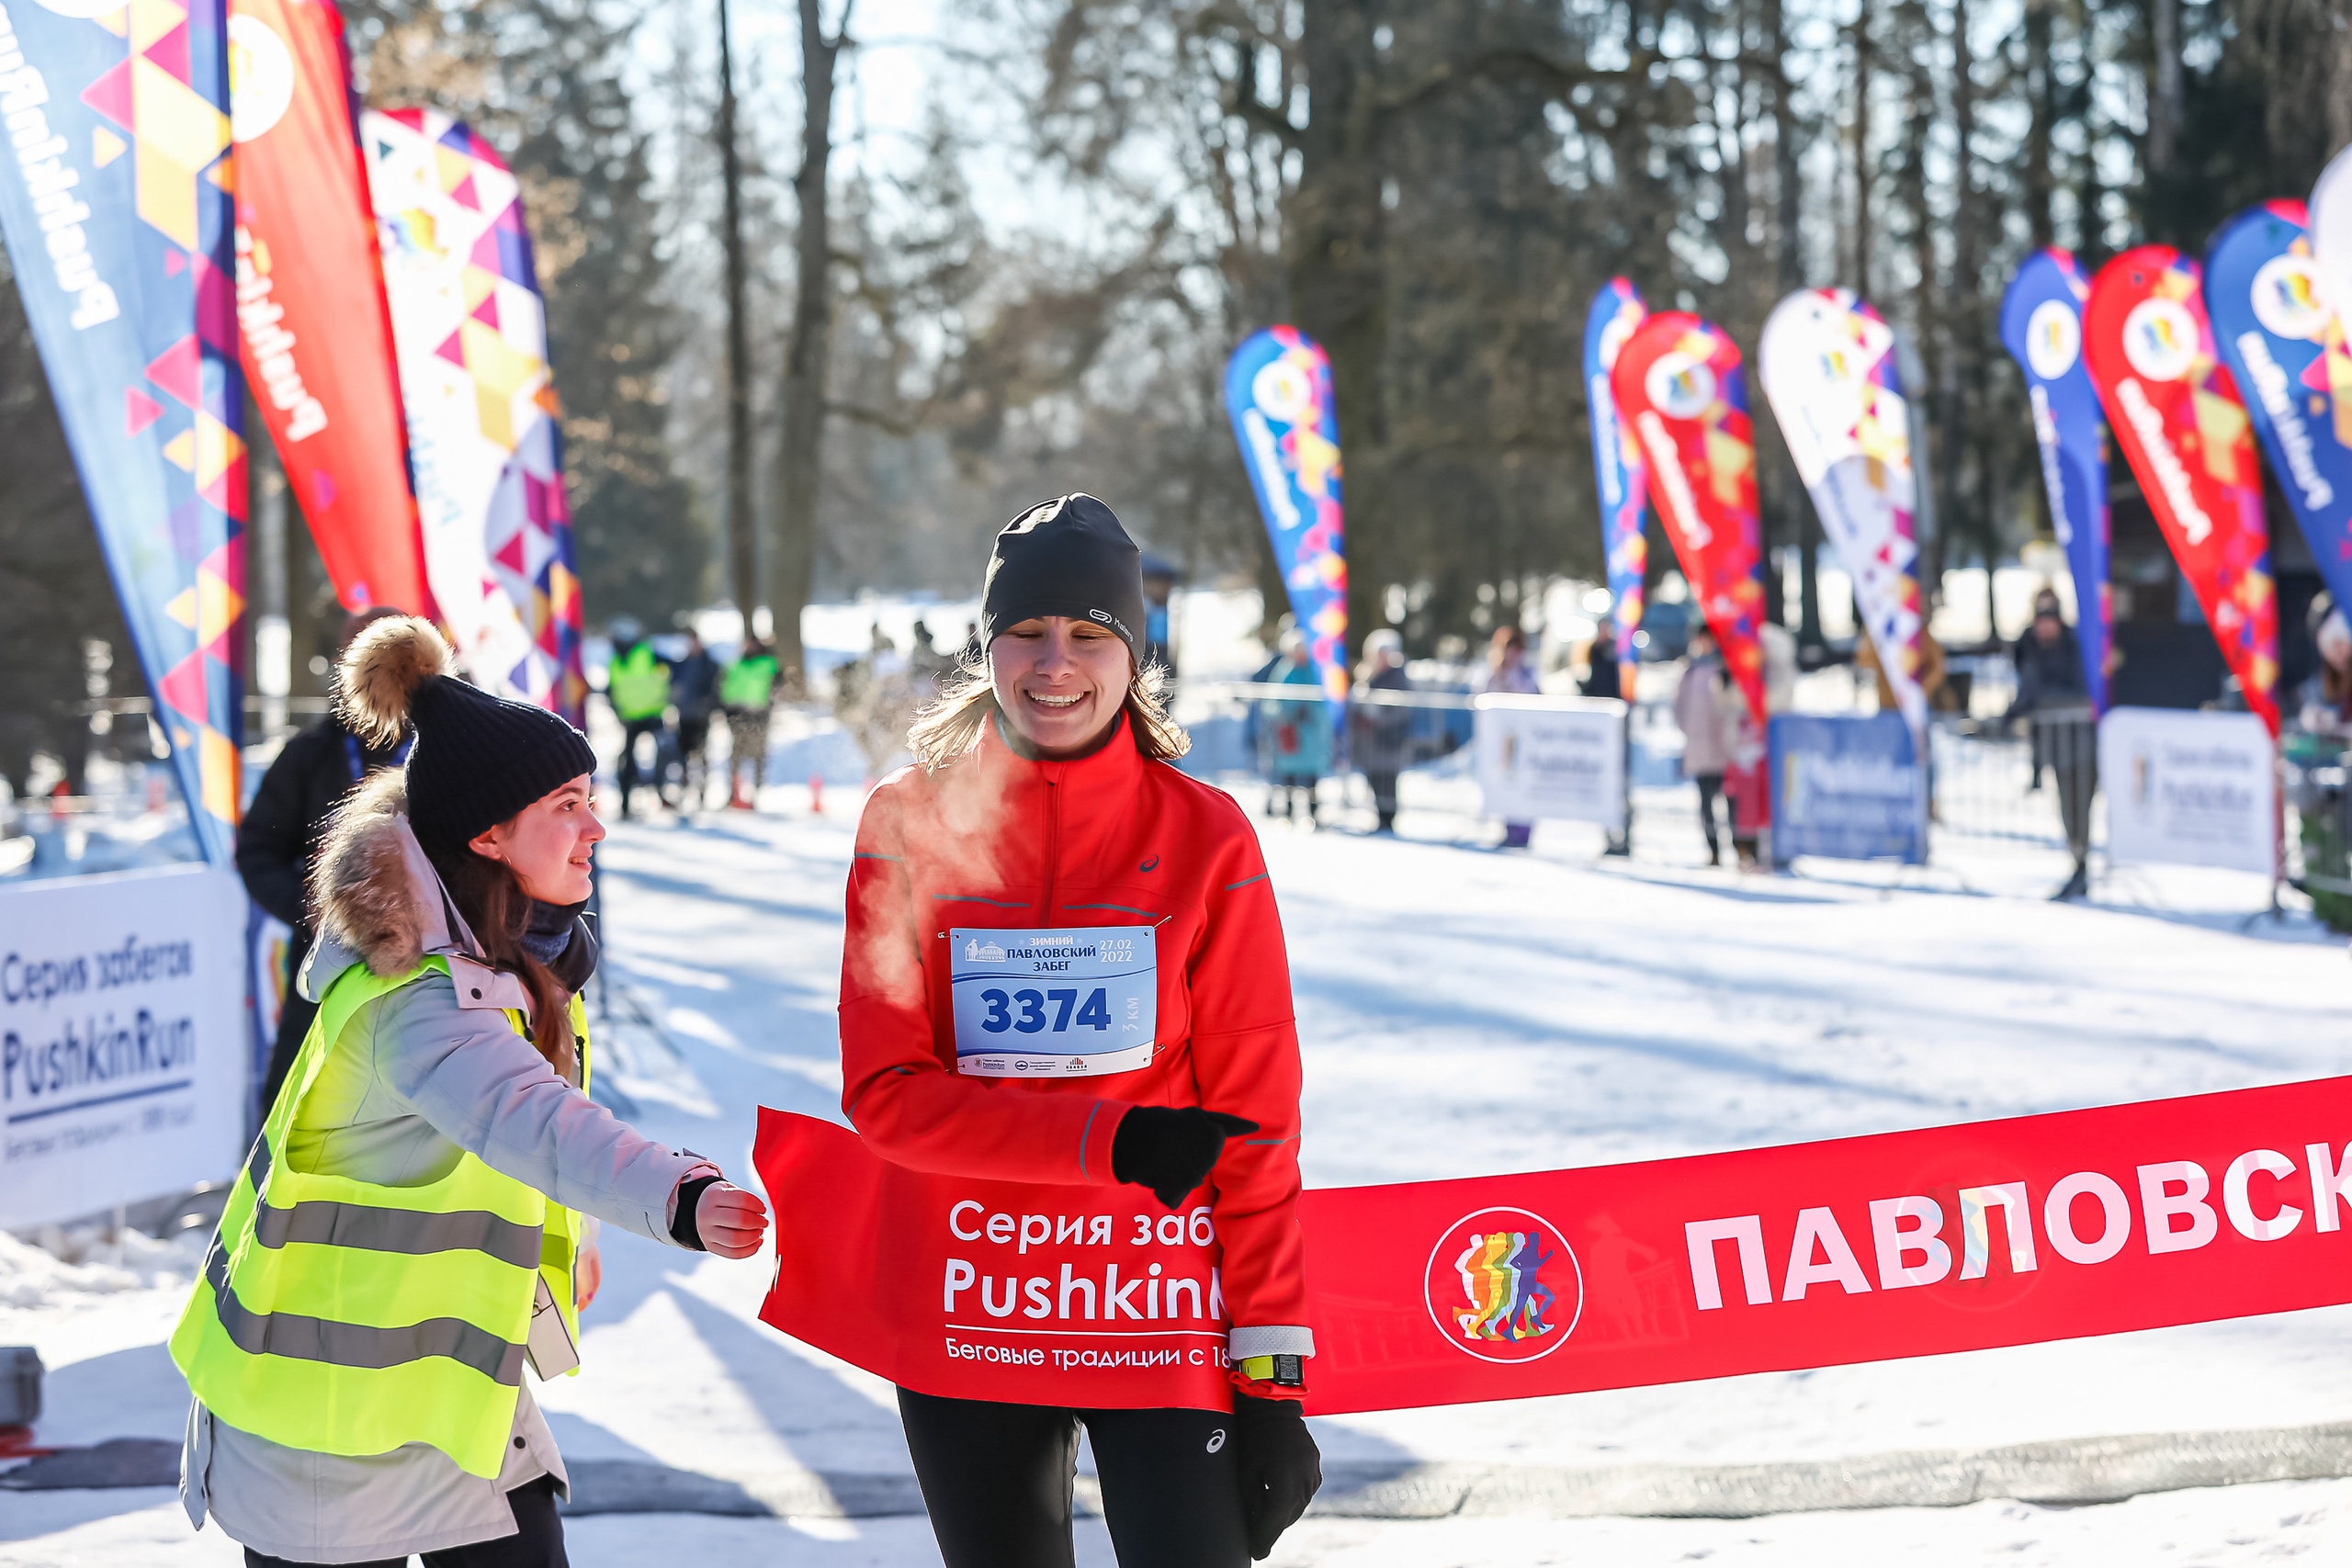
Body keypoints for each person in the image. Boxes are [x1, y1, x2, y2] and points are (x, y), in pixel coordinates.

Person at [173, 616, 771, 1567]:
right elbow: (533, 1120)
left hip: (447, 1392)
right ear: (488, 835)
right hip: (323, 1420)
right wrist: (679, 1197)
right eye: (567, 804)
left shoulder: (505, 957)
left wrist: (551, 1251)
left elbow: (487, 1155)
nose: (596, 827)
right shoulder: (420, 1002)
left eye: (591, 798)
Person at [842, 493, 1322, 1568]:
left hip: (1153, 1301)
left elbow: (1254, 1118)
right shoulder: (906, 823)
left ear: (1131, 653)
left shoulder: (1204, 836)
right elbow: (885, 1094)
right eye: (1026, 630)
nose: (1054, 663)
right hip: (974, 1301)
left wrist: (1273, 1376)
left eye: (1089, 633)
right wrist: (1109, 1142)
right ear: (987, 644)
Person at [235, 607, 412, 1116]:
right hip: (326, 963)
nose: (379, 675)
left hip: (434, 966)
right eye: (364, 660)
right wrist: (314, 907)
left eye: (392, 661)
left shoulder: (447, 751)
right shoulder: (309, 756)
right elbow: (257, 851)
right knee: (295, 1105)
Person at [2003, 590, 2096, 900]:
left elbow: (2080, 693)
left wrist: (2037, 700)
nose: (2045, 625)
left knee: (2080, 808)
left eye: (2050, 617)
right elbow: (2026, 689)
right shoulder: (2029, 649)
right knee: (2066, 812)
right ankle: (2077, 865)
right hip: (2055, 745)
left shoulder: (2074, 648)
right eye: (2040, 617)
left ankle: (2082, 868)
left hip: (2081, 742)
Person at [1675, 628, 1736, 867]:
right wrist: (1689, 730)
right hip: (1699, 747)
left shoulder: (1726, 666)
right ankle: (1714, 850)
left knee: (1731, 800)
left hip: (1724, 747)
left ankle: (1739, 846)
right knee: (1706, 802)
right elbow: (1679, 705)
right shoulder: (1690, 669)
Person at [1259, 629, 1332, 826]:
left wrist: (1311, 713)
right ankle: (1289, 811)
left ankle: (1313, 812)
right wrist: (1285, 715)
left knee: (1311, 778)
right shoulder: (1284, 671)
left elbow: (1326, 704)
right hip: (1290, 736)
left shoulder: (1315, 672)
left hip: (1311, 736)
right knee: (1288, 776)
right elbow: (1271, 703)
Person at [605, 617, 674, 819]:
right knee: (626, 761)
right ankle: (626, 805)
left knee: (664, 756)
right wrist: (617, 712)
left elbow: (674, 670)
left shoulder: (648, 653)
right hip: (630, 719)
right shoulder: (615, 662)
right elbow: (611, 690)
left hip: (653, 715)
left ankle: (662, 795)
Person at [1482, 626, 1541, 849]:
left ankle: (1523, 831)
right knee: (1505, 780)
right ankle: (1508, 827)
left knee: (1523, 781)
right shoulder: (1494, 673)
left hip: (1524, 738)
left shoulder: (1528, 673)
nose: (1512, 654)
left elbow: (1534, 697)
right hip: (1502, 739)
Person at [1351, 629, 1413, 833]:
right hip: (1370, 741)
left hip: (1389, 739)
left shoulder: (1398, 676)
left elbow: (1402, 709)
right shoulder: (1367, 673)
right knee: (1374, 779)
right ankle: (1380, 816)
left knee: (1388, 781)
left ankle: (1388, 818)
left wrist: (1381, 719)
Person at [721, 635, 782, 810]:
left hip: (758, 714)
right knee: (736, 754)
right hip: (738, 713)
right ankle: (734, 793)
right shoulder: (736, 664)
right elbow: (727, 687)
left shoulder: (768, 663)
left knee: (757, 754)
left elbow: (776, 686)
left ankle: (755, 793)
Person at [668, 628, 722, 812]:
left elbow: (716, 689)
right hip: (684, 716)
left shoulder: (709, 664)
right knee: (683, 757)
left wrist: (709, 707)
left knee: (702, 755)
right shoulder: (682, 663)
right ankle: (684, 792)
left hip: (701, 716)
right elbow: (674, 687)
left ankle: (702, 793)